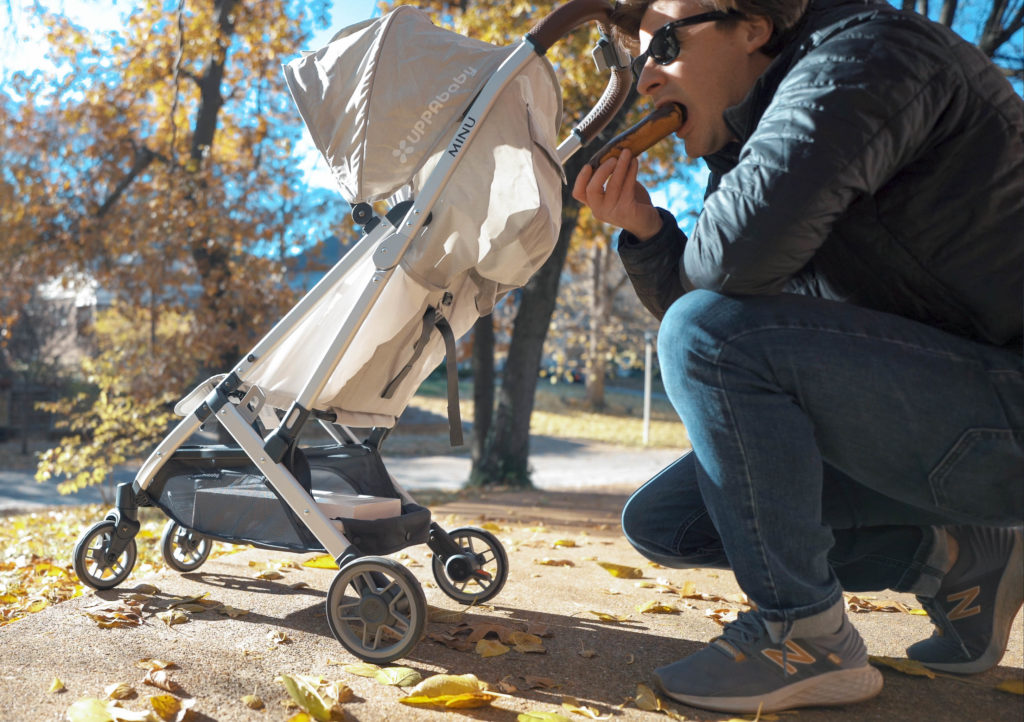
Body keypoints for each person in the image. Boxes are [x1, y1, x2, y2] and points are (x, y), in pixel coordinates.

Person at [573, 0, 1024, 714]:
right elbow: (724, 313)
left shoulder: (868, 59)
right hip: (954, 408)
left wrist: (711, 184)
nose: (646, 80)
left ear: (752, 26)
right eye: (637, 64)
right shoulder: (756, 140)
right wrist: (649, 230)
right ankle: (959, 557)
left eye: (661, 44)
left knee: (709, 333)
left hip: (1006, 406)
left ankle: (806, 635)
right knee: (669, 522)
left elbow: (722, 295)